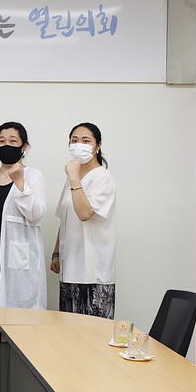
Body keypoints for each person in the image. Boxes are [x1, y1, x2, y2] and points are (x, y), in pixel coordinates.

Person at [0, 122, 47, 310]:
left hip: (18, 262)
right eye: (1, 141)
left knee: (18, 316)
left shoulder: (33, 176)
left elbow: (36, 215)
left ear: (24, 146)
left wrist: (20, 183)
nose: (6, 145)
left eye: (13, 141)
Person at [50, 122, 116, 319]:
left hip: (93, 272)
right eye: (74, 140)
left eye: (86, 141)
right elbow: (64, 219)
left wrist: (74, 179)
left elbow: (85, 213)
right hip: (69, 268)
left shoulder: (102, 178)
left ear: (98, 146)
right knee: (68, 329)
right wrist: (56, 254)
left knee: (93, 331)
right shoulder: (72, 178)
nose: (79, 145)